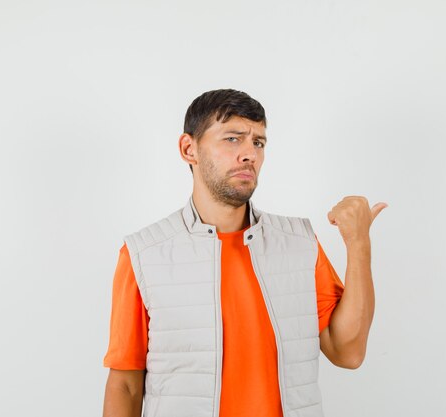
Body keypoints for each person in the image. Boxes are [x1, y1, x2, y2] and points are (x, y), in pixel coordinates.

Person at [102, 89, 387, 417]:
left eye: (258, 142)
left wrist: (359, 244)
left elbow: (347, 352)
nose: (249, 153)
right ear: (188, 148)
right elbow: (125, 383)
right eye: (233, 139)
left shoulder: (299, 244)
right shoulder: (144, 255)